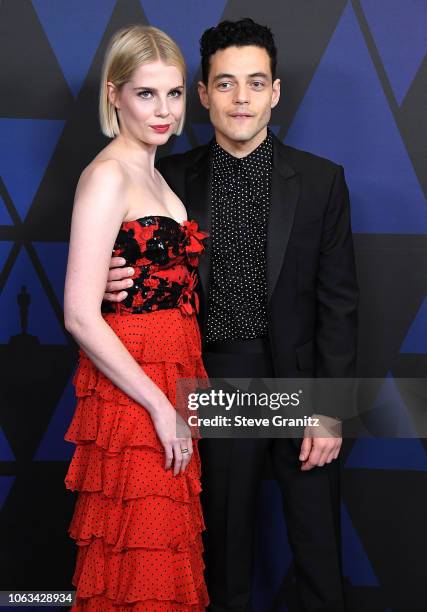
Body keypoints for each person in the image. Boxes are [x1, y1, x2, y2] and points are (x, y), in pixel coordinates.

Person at [104, 18, 359, 612]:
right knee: (222, 555)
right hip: (211, 379)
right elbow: (132, 278)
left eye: (254, 82)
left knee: (318, 551)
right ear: (203, 95)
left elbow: (339, 304)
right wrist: (108, 285)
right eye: (225, 84)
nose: (240, 98)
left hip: (298, 383)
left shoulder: (322, 182)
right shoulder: (166, 180)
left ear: (275, 92)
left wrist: (329, 407)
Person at [63, 24, 209, 611]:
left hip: (174, 379)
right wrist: (156, 404)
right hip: (137, 391)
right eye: (146, 94)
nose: (164, 110)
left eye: (174, 94)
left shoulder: (151, 171)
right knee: (139, 563)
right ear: (113, 94)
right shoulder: (107, 175)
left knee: (164, 554)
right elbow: (79, 314)